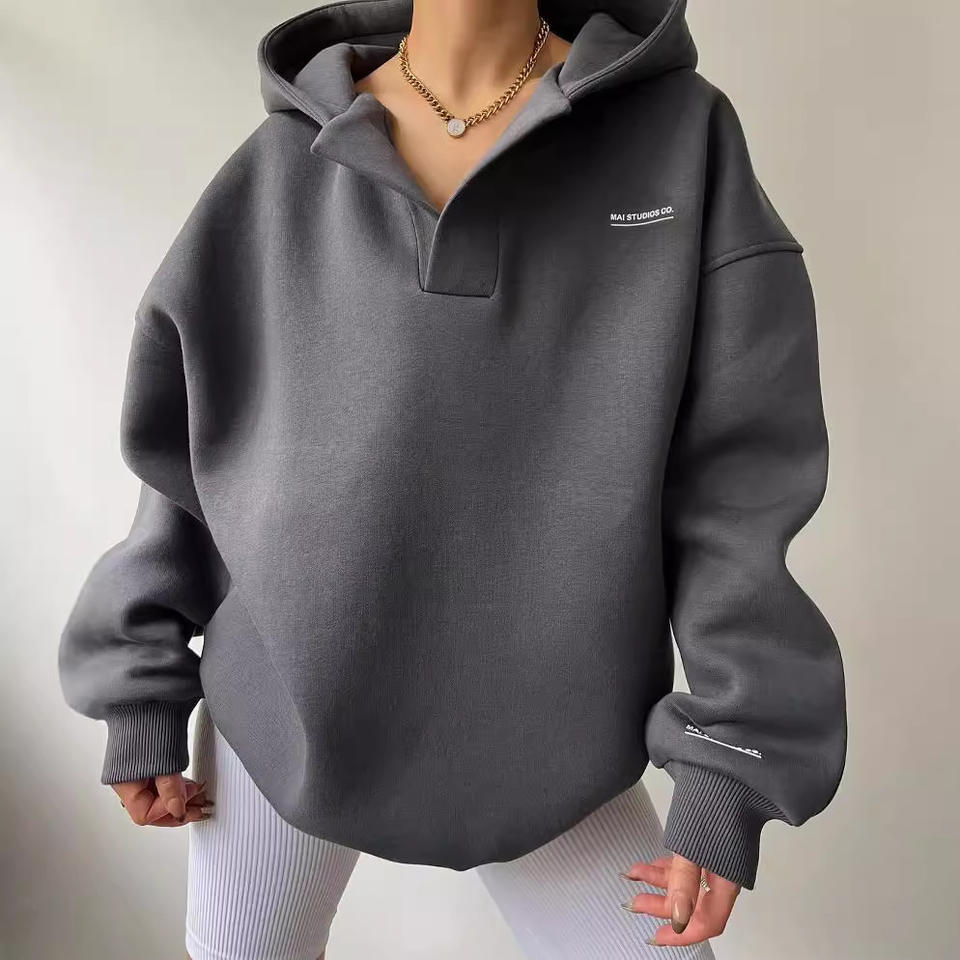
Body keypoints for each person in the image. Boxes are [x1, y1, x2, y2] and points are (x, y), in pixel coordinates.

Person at [57, 0, 848, 957]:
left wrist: (729, 764)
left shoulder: (682, 140)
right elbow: (188, 458)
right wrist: (140, 689)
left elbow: (742, 486)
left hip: (555, 748)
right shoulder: (282, 162)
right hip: (279, 723)